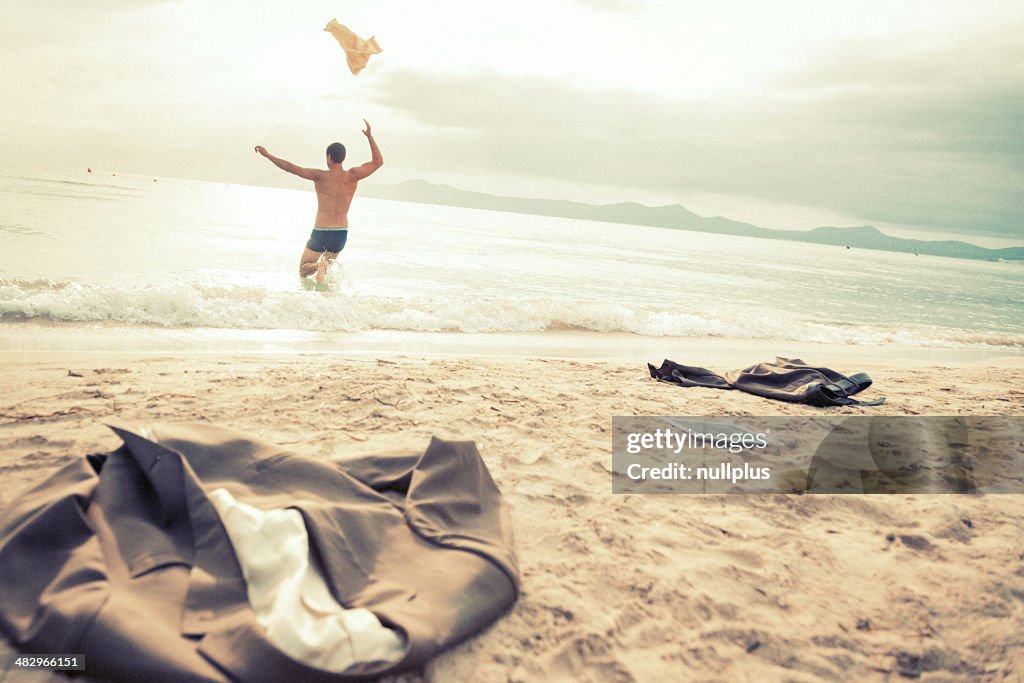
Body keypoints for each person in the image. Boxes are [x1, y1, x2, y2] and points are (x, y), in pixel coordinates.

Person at [255, 119, 383, 282]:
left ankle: (317, 267)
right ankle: (323, 296)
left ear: (329, 157)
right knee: (326, 271)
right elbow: (378, 162)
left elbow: (291, 168)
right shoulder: (353, 176)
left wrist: (268, 155)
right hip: (341, 233)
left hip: (322, 231)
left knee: (304, 270)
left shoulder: (320, 176)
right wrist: (370, 137)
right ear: (343, 158)